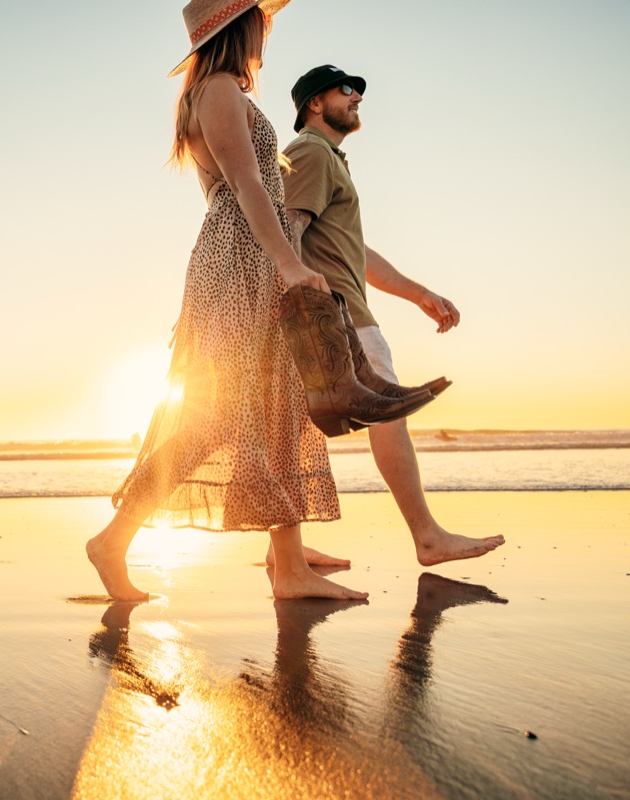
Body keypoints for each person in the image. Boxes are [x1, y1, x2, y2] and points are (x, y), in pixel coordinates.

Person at [87, 0, 374, 604]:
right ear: (238, 25)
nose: (268, 26)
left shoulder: (218, 91)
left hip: (247, 253)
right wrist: (291, 265)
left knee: (268, 405)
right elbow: (247, 185)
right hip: (242, 256)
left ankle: (287, 564)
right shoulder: (217, 89)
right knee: (231, 411)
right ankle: (118, 540)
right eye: (261, 17)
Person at [280, 65, 506, 566]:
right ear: (315, 104)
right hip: (334, 318)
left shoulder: (330, 159)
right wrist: (299, 305)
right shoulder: (311, 152)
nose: (357, 95)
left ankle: (286, 553)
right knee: (387, 409)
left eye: (358, 89)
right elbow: (288, 229)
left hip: (336, 310)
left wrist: (416, 292)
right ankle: (426, 536)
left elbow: (352, 249)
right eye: (346, 89)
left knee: (291, 427)